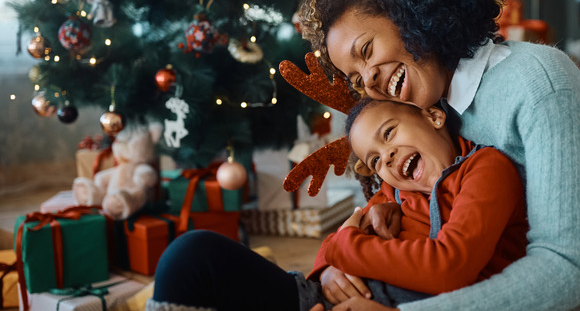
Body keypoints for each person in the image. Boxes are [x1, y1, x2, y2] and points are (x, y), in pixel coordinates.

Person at [296, 0, 580, 311]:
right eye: (358, 79)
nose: (370, 81)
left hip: (578, 299)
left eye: (366, 51)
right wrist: (329, 269)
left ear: (405, 11)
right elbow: (380, 207)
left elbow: (564, 270)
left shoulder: (539, 83)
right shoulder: (430, 104)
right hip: (471, 286)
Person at [147, 97, 528, 310]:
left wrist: (345, 246)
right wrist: (327, 269)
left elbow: (449, 268)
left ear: (433, 115)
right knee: (190, 253)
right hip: (318, 299)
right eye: (376, 160)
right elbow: (330, 250)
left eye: (390, 133)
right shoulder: (396, 193)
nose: (388, 158)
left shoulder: (484, 168)